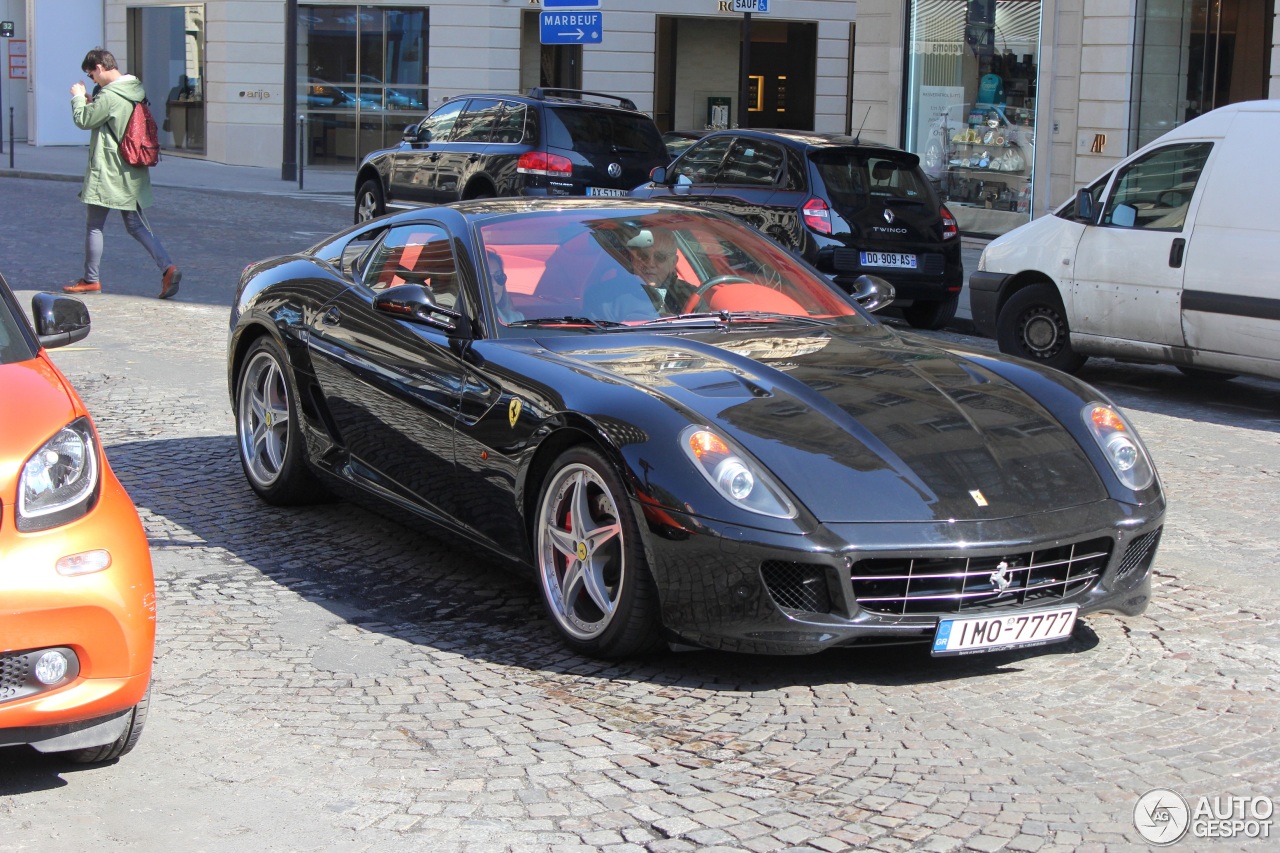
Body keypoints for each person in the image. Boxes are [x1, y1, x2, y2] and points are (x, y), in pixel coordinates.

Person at [65, 48, 181, 299]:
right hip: (132, 169)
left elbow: (84, 120)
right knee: (137, 226)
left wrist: (77, 98)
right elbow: (108, 118)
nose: (92, 80)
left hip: (109, 169)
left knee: (94, 225)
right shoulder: (133, 90)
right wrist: (92, 100)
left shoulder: (110, 95)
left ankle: (91, 279)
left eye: (91, 75)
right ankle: (168, 267)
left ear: (99, 67)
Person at [629, 228, 696, 315]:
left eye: (660, 257)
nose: (650, 263)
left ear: (673, 263)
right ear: (633, 259)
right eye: (643, 255)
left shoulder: (690, 297)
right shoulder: (613, 295)